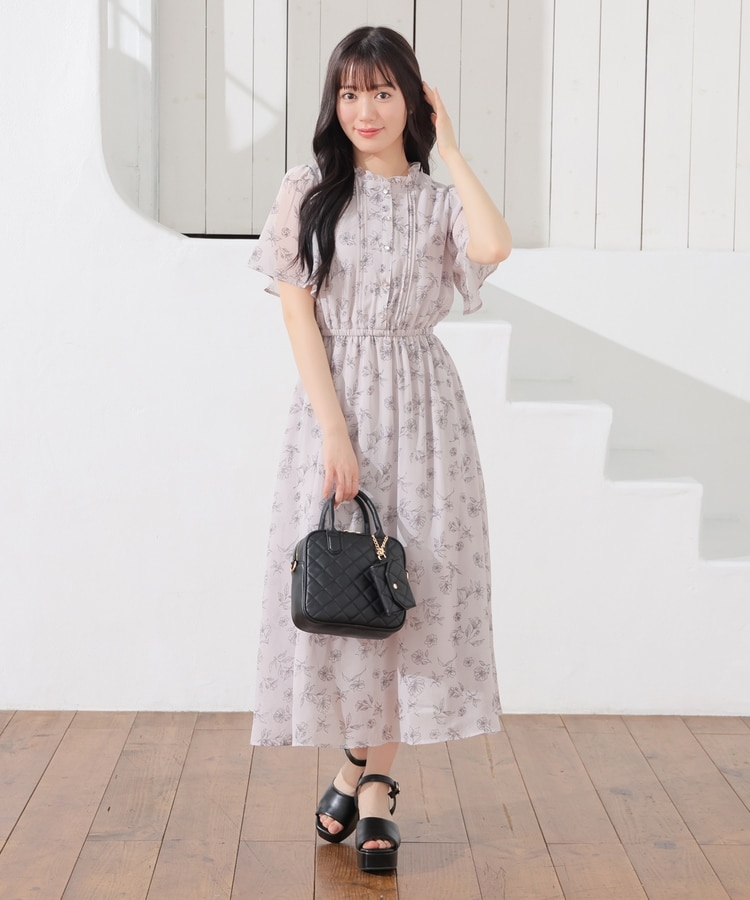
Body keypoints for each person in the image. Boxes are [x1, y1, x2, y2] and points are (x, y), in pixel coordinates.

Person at [248, 25, 511, 874]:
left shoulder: (437, 203)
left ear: (413, 101)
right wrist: (335, 430)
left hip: (426, 417)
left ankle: (368, 787)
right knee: (345, 595)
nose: (365, 110)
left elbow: (493, 247)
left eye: (384, 92)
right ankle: (363, 779)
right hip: (338, 406)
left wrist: (452, 149)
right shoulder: (308, 190)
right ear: (335, 103)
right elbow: (297, 314)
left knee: (410, 598)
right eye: (351, 93)